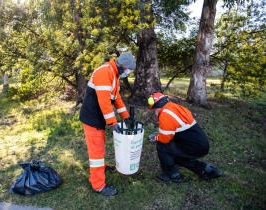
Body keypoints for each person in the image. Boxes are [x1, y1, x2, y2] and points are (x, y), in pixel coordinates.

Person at [79, 52, 136, 196]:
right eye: (129, 70)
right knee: (96, 152)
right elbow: (104, 101)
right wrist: (113, 123)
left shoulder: (114, 74)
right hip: (92, 118)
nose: (128, 73)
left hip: (98, 118)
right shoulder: (104, 72)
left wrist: (126, 117)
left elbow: (116, 99)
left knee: (100, 146)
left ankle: (101, 167)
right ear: (123, 66)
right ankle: (98, 185)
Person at [147, 92, 223, 183]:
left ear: (157, 106)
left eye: (154, 110)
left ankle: (171, 175)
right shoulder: (175, 107)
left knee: (162, 145)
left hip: (193, 147)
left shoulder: (165, 114)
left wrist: (156, 137)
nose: (155, 113)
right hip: (200, 145)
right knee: (175, 157)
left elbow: (164, 139)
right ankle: (206, 170)